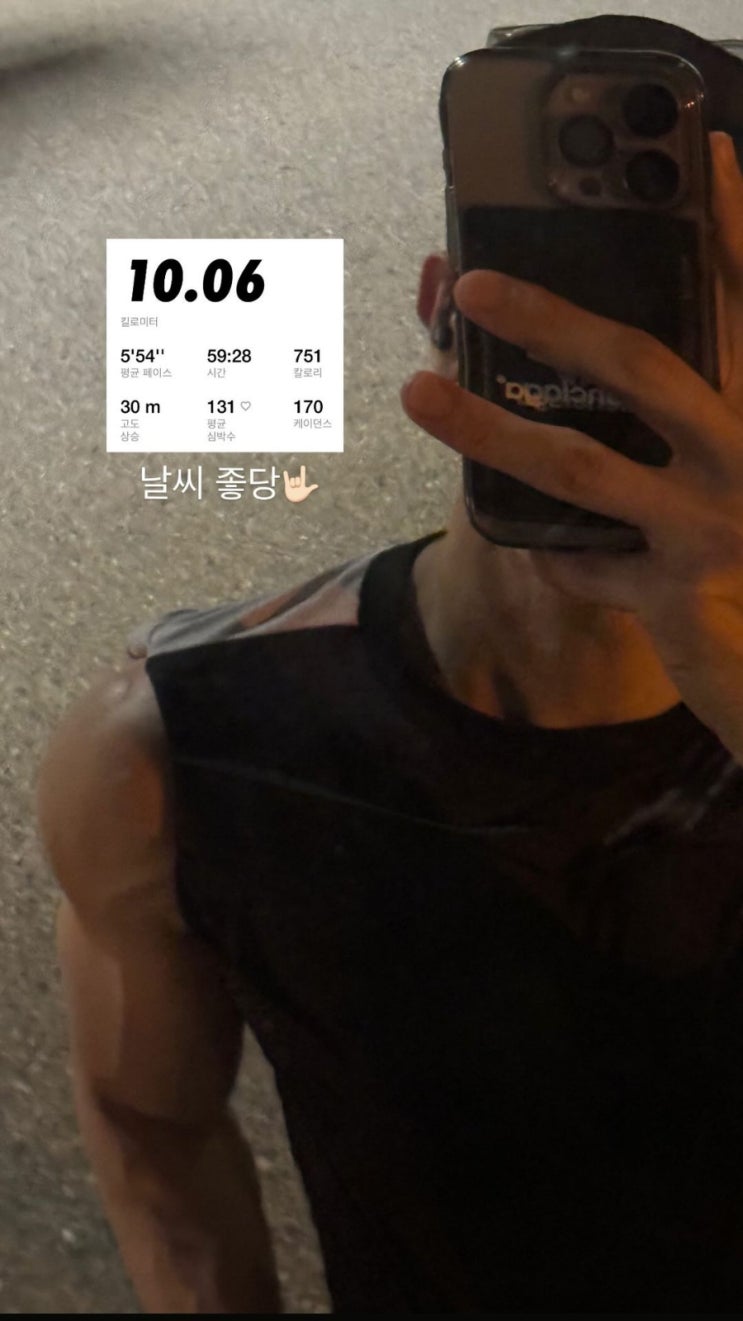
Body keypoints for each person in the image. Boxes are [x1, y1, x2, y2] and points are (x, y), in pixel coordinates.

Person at [36, 115, 743, 1311]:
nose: (627, 376)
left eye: (685, 322)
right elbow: (151, 1137)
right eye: (569, 298)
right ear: (439, 309)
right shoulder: (179, 751)